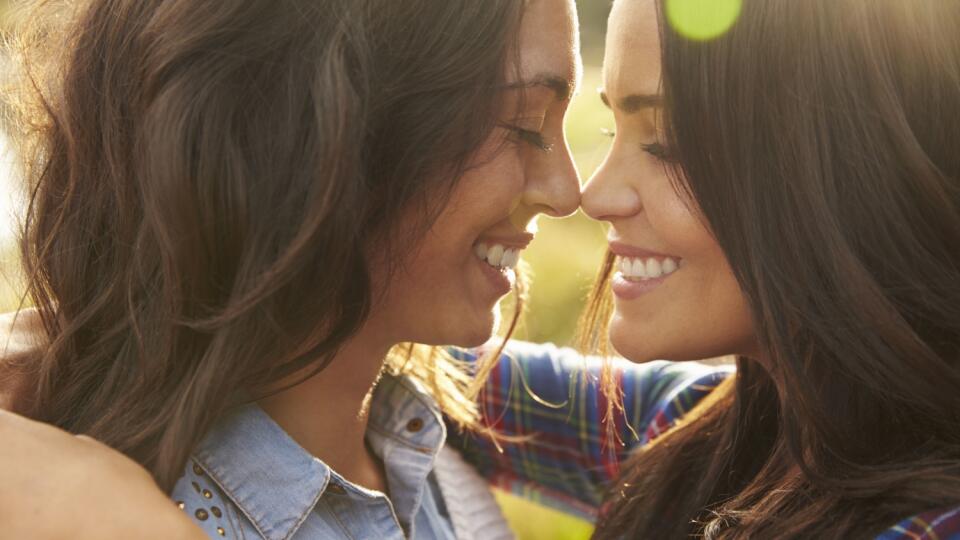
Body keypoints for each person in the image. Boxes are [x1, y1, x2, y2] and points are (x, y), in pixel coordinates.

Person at [3, 0, 960, 538]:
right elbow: (482, 391)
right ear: (327, 144)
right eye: (524, 127)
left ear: (841, 176)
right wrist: (146, 309)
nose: (585, 192)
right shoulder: (728, 437)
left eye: (666, 143)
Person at [0, 0, 580, 538]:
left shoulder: (440, 463)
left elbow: (667, 425)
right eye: (526, 125)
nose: (567, 193)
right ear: (324, 131)